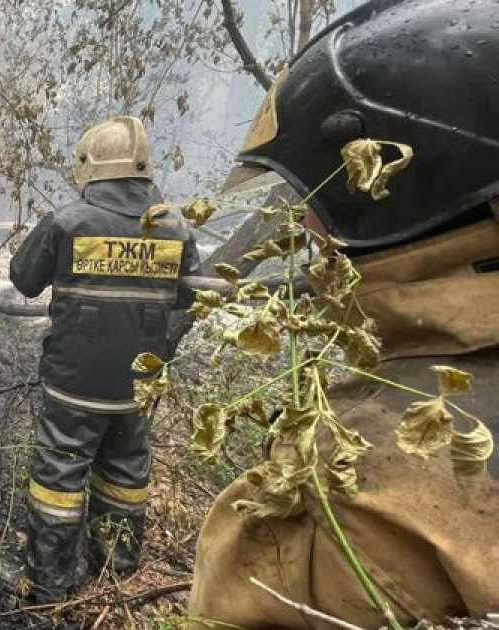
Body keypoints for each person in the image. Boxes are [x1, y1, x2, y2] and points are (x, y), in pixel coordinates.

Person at [189, 0, 499, 627]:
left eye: (314, 198)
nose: (307, 228)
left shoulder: (335, 490)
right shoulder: (170, 232)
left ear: (382, 190)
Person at [9, 116, 199, 600]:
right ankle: (117, 567)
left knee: (59, 477)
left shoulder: (68, 222)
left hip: (73, 385)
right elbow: (186, 297)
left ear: (90, 166)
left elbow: (24, 278)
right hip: (138, 386)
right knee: (126, 472)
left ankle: (50, 581)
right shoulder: (174, 226)